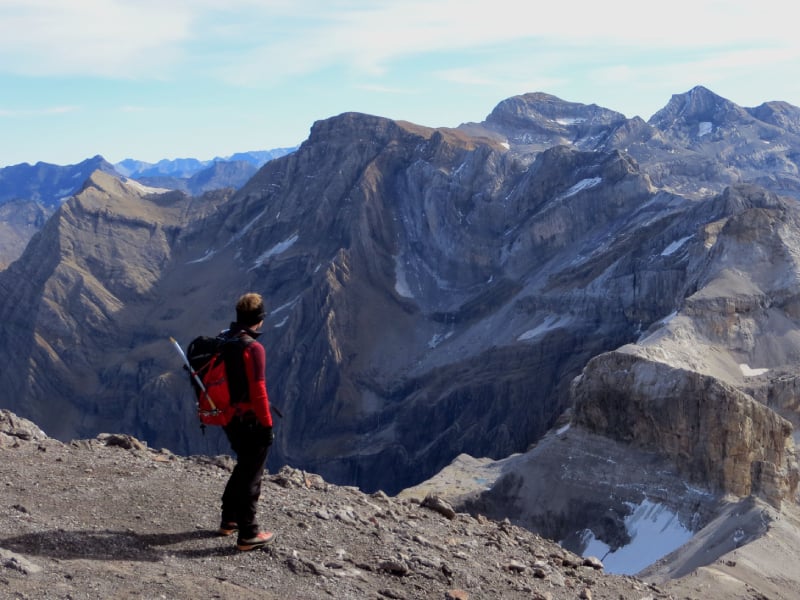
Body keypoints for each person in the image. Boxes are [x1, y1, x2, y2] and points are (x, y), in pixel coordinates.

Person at [217, 292, 276, 551]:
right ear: (260, 319)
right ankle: (248, 533)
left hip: (229, 417)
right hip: (250, 419)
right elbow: (258, 390)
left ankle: (228, 519)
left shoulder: (224, 339)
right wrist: (267, 425)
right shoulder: (253, 348)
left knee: (243, 466)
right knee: (252, 474)